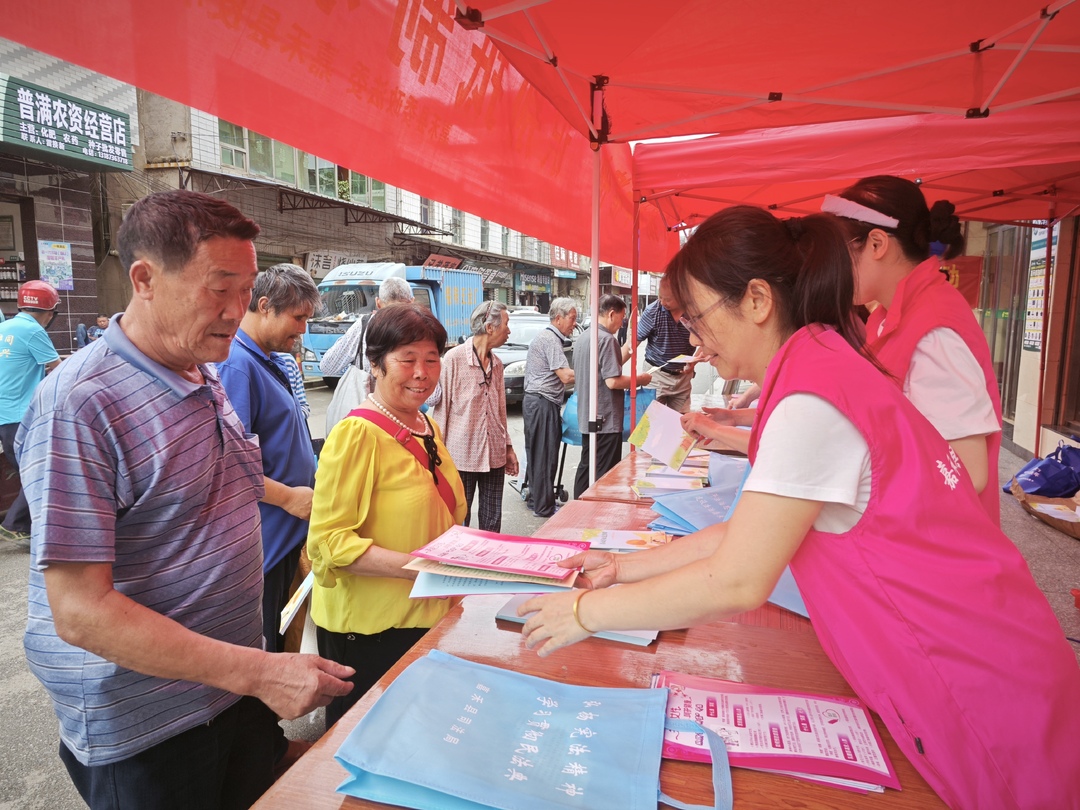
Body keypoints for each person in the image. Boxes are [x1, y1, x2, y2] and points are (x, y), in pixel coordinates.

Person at [519, 206, 1080, 810]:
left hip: (974, 679)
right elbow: (747, 533)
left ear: (757, 299)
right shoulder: (819, 364)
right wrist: (623, 569)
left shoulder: (812, 396)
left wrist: (585, 611)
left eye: (697, 316)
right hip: (984, 647)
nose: (693, 338)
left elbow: (738, 578)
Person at [18, 190, 353, 810]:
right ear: (144, 279)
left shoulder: (201, 370)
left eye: (246, 290)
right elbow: (80, 612)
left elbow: (220, 481)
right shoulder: (82, 402)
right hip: (150, 726)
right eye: (218, 288)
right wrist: (261, 671)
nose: (236, 310)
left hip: (226, 690)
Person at [307, 303, 467, 730]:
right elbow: (327, 543)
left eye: (432, 359)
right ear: (376, 364)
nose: (422, 372)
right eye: (408, 359)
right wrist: (425, 569)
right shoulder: (358, 433)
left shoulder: (423, 425)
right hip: (372, 632)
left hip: (426, 617)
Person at [823, 176, 1002, 525]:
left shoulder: (932, 329)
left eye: (840, 255)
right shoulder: (887, 315)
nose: (835, 270)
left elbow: (967, 471)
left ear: (877, 244)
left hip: (937, 542)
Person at [218, 263, 320, 655]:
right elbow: (230, 463)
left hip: (286, 532)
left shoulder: (266, 358)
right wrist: (290, 498)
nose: (303, 330)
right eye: (298, 318)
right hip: (266, 536)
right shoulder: (236, 365)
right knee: (264, 644)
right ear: (264, 306)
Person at [431, 300, 519, 532]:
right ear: (490, 327)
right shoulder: (454, 359)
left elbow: (501, 411)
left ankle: (488, 564)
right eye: (506, 325)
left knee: (492, 520)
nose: (509, 331)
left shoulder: (497, 365)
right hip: (461, 456)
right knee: (460, 519)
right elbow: (441, 412)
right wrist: (438, 457)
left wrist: (508, 447)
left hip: (494, 455)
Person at [0, 280, 61, 544]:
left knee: (29, 471)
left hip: (4, 415)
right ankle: (15, 524)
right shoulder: (34, 331)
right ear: (49, 312)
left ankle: (28, 525)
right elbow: (59, 371)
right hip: (22, 416)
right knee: (42, 470)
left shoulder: (4, 328)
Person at [572, 295, 651, 498]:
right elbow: (612, 381)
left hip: (588, 414)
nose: (622, 323)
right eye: (622, 318)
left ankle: (578, 507)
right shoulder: (606, 340)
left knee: (587, 466)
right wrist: (639, 379)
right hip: (605, 418)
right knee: (605, 474)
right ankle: (594, 512)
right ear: (611, 314)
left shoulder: (584, 337)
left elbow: (604, 370)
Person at [521, 297, 576, 518]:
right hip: (542, 402)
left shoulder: (548, 337)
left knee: (537, 454)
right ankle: (544, 507)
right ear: (558, 318)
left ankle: (536, 500)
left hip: (536, 402)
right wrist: (592, 373)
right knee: (545, 455)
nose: (574, 323)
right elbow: (565, 375)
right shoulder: (551, 339)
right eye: (572, 319)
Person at [629, 275, 696, 413]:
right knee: (650, 422)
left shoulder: (695, 312)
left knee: (681, 422)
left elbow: (705, 340)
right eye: (660, 297)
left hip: (682, 377)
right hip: (656, 375)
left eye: (668, 299)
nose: (662, 302)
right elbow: (633, 343)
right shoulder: (653, 312)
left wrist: (693, 363)